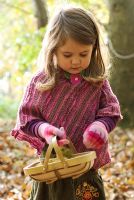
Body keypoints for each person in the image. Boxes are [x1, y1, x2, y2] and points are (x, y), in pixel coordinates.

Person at [11, 6, 122, 200]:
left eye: (84, 53)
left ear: (94, 48)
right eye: (68, 55)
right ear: (53, 49)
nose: (76, 61)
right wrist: (44, 130)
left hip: (85, 167)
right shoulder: (42, 82)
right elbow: (27, 118)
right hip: (53, 171)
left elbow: (111, 111)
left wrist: (100, 126)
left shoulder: (96, 81)